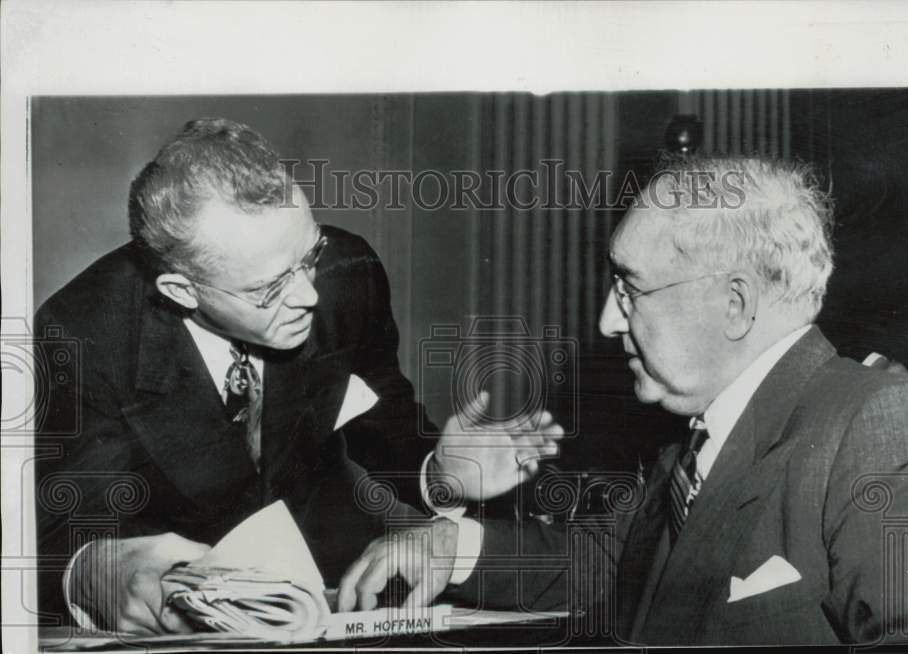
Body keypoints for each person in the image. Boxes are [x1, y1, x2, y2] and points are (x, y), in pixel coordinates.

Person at [337, 155, 908, 645]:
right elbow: (610, 562)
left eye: (630, 289)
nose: (604, 321)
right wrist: (447, 544)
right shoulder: (697, 439)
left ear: (735, 304)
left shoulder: (879, 423)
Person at [33, 117, 562, 635]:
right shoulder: (83, 334)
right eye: (268, 288)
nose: (308, 295)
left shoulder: (347, 275)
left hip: (333, 592)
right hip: (179, 620)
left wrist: (439, 474)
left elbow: (383, 421)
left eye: (309, 256)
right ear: (181, 291)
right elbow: (66, 528)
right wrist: (95, 573)